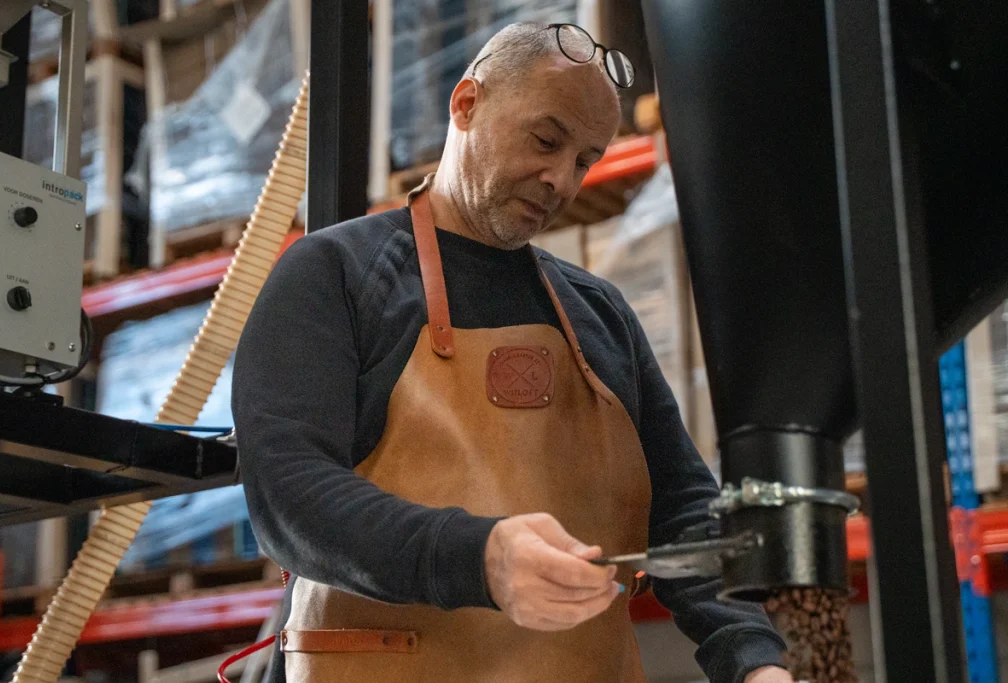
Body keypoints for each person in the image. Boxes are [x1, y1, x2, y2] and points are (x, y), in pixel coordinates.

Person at [232, 21, 793, 683]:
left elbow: (684, 511)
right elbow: (288, 497)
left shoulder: (601, 315)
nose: (561, 179)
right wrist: (480, 557)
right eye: (546, 139)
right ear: (466, 103)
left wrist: (755, 660)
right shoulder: (336, 276)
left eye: (585, 159)